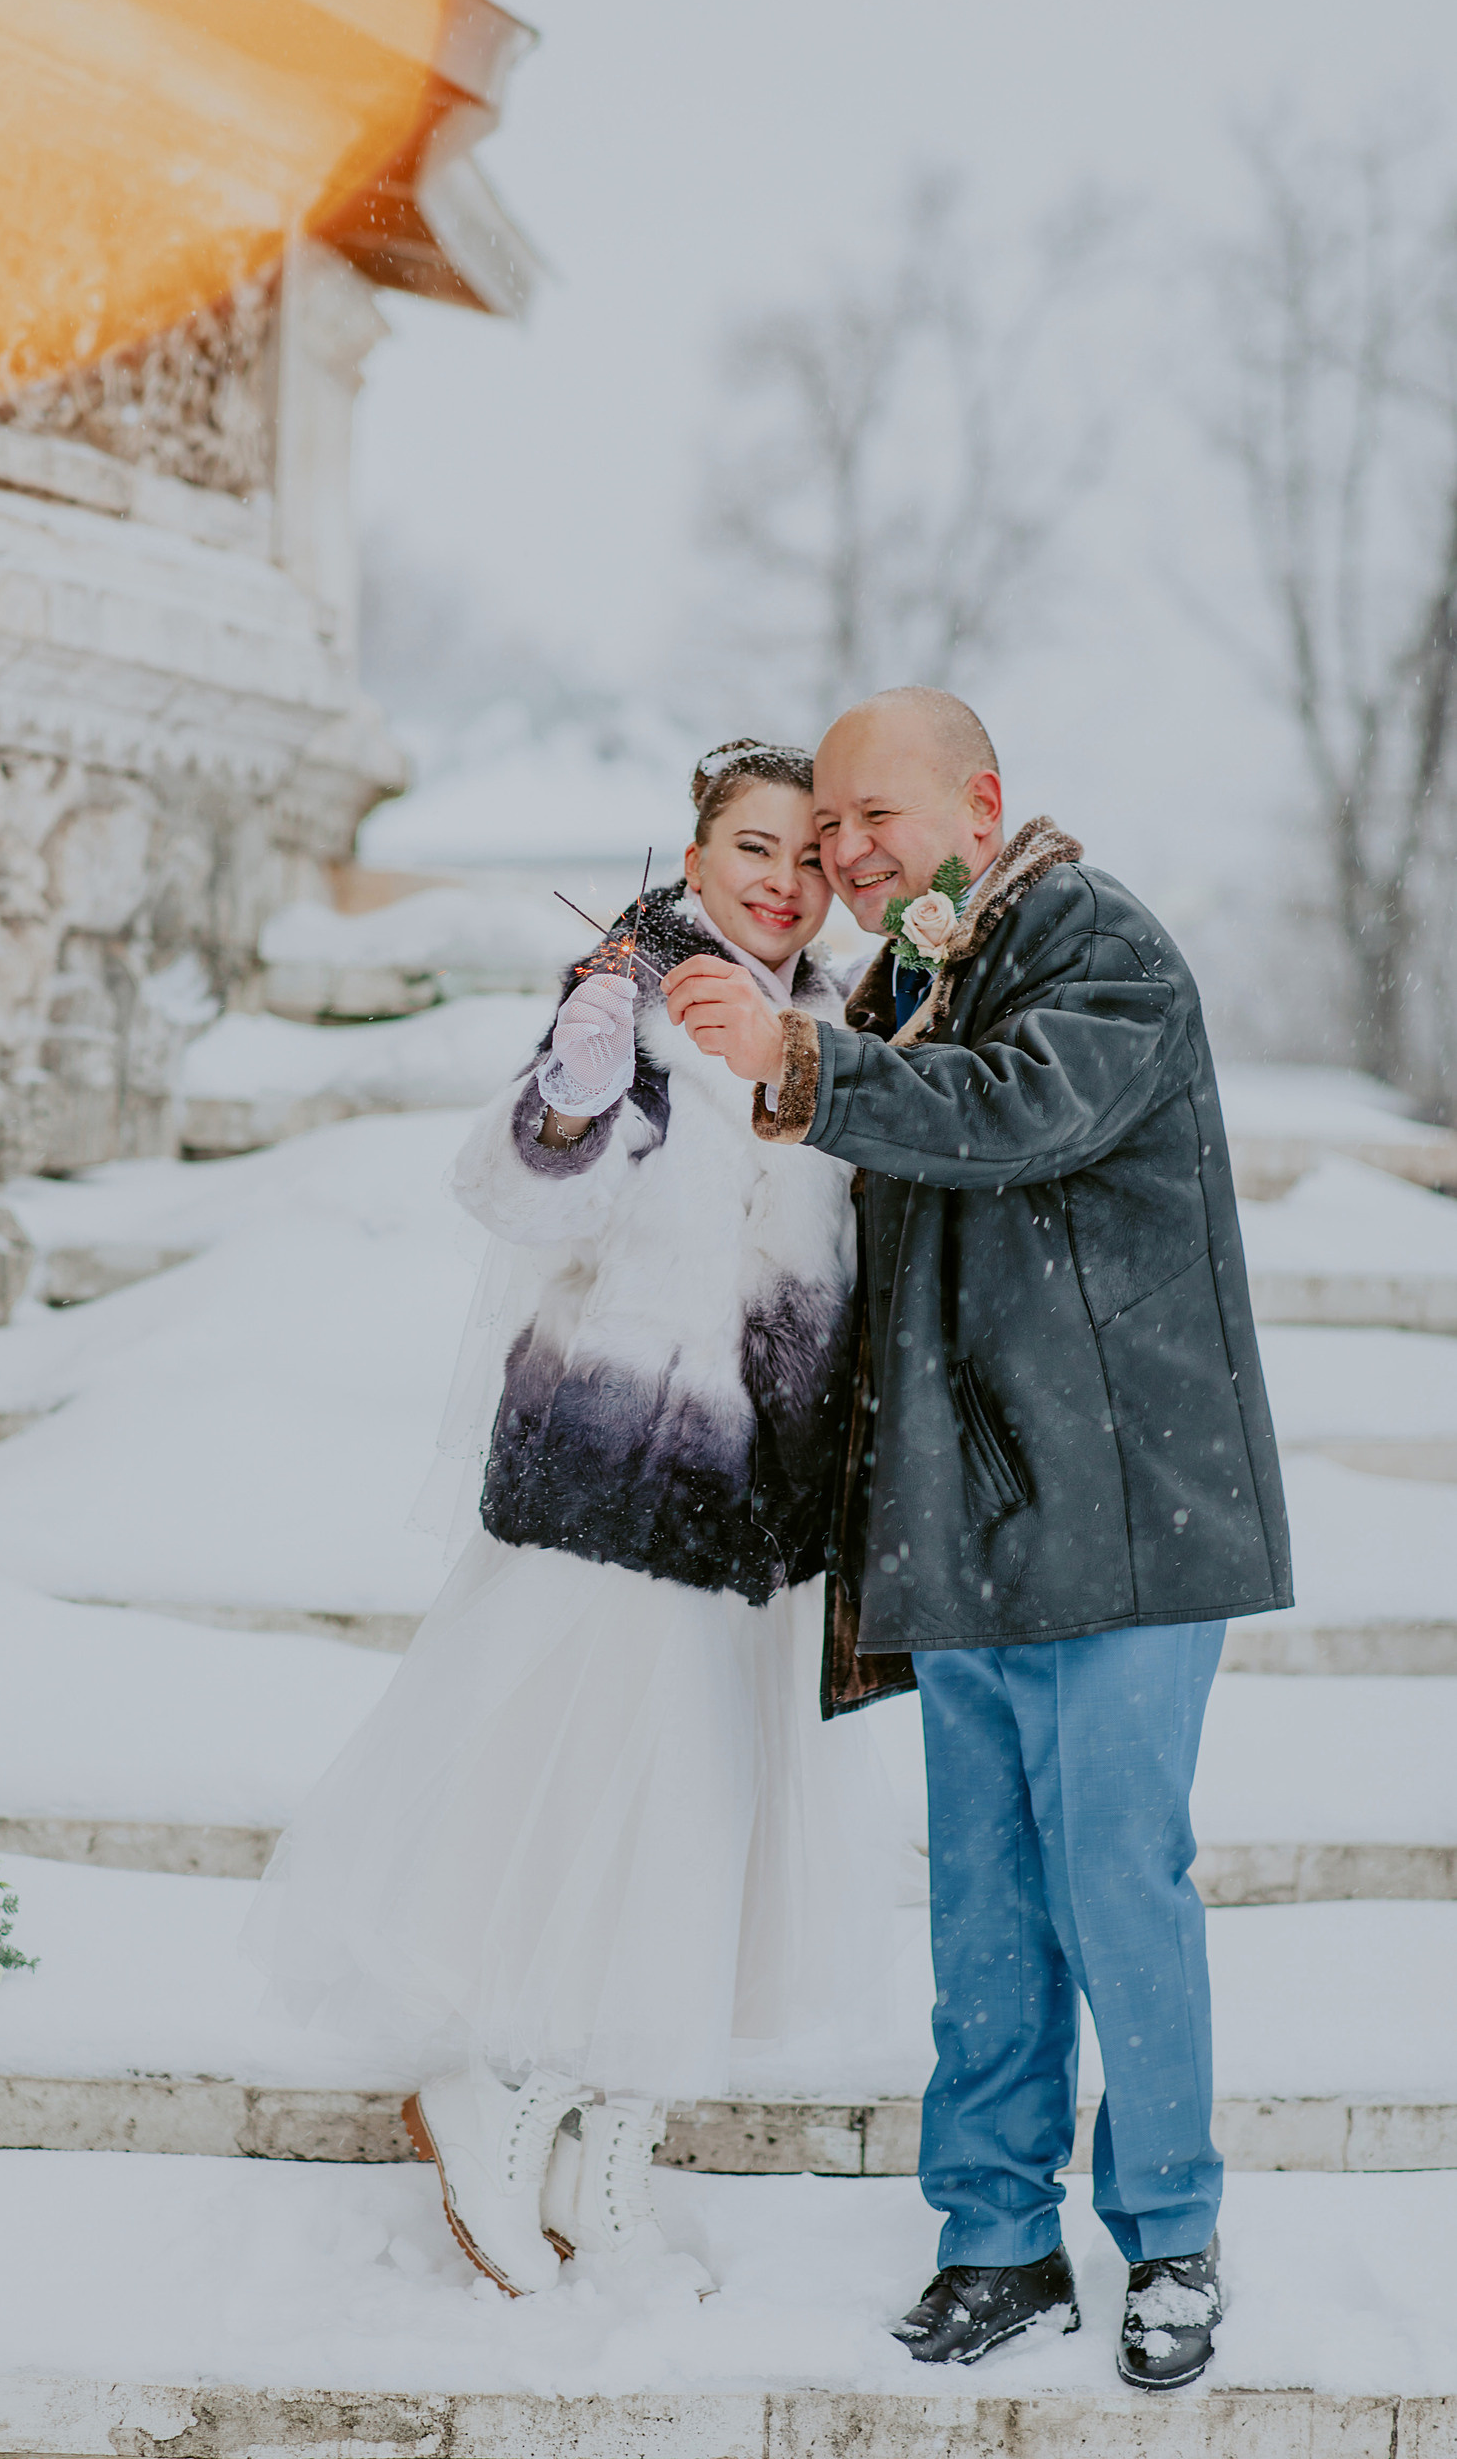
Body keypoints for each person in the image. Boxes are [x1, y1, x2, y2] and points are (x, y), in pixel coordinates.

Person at [664, 686, 1292, 2392]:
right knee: (989, 1905)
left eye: (880, 818)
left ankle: (1170, 2235)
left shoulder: (1098, 942)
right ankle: (995, 2237)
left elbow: (1015, 1110)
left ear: (982, 801)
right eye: (832, 828)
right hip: (966, 1515)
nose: (852, 855)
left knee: (1114, 1880)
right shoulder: (906, 977)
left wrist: (798, 1063)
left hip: (1123, 1509)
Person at [242, 741, 905, 2301]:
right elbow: (525, 1192)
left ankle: (613, 2162)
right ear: (695, 852)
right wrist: (582, 1086)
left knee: (708, 1840)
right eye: (751, 846)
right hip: (617, 1481)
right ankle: (505, 2096)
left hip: (762, 1521)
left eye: (807, 857)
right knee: (612, 1814)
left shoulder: (828, 1031)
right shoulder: (636, 992)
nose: (780, 879)